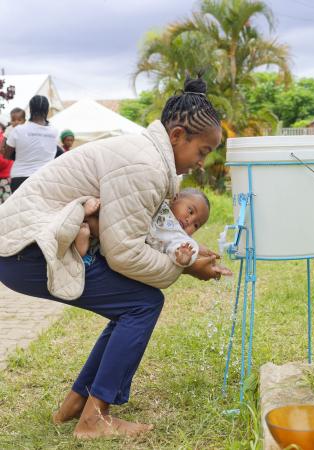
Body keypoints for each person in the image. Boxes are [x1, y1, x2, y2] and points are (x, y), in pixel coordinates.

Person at [0, 73, 229, 439]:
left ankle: (76, 406)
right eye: (202, 151)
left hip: (23, 245)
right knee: (142, 304)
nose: (202, 162)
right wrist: (183, 270)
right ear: (176, 136)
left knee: (130, 304)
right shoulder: (146, 165)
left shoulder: (146, 156)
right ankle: (94, 419)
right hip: (28, 248)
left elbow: (136, 233)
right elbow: (124, 253)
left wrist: (185, 253)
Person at [75, 188, 212, 269]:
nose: (190, 221)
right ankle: (87, 212)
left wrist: (183, 256)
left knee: (98, 228)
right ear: (176, 197)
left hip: (121, 239)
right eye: (190, 211)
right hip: (123, 219)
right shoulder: (161, 202)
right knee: (107, 210)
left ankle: (84, 239)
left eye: (196, 225)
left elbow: (177, 246)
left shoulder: (177, 235)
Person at [4, 96, 58, 192]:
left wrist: (6, 135)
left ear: (30, 110)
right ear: (46, 111)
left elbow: (6, 155)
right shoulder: (54, 132)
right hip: (46, 178)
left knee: (20, 207)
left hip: (20, 179)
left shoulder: (18, 130)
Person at [0, 108, 26, 202]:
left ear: (24, 121)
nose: (16, 122)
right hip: (8, 173)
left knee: (7, 200)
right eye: (13, 120)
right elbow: (3, 148)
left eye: (19, 120)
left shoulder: (25, 130)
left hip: (6, 175)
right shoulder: (9, 130)